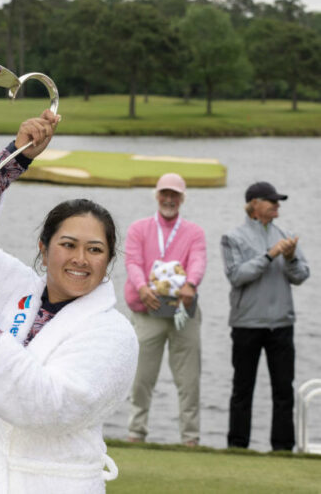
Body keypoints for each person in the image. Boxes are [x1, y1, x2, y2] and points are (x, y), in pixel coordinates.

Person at [0, 110, 139, 494]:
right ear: (44, 250)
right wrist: (15, 159)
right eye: (68, 244)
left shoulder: (114, 334)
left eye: (95, 250)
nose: (80, 259)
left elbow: (51, 405)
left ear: (108, 261)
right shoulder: (16, 287)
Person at [221, 181, 310, 451]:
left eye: (278, 201)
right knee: (242, 390)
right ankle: (237, 447)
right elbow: (237, 276)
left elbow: (301, 275)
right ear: (254, 204)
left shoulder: (286, 235)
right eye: (271, 201)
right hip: (247, 324)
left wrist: (291, 257)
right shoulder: (233, 237)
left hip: (281, 324)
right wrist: (270, 255)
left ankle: (283, 449)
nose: (277, 205)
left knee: (284, 391)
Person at [124, 173, 207, 446]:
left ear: (182, 199)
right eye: (164, 194)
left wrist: (191, 284)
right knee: (141, 378)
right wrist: (142, 287)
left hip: (183, 311)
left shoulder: (194, 231)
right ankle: (136, 433)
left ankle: (190, 438)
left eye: (175, 195)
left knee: (189, 380)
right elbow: (133, 262)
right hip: (148, 308)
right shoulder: (139, 228)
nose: (169, 199)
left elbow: (197, 260)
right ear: (157, 196)